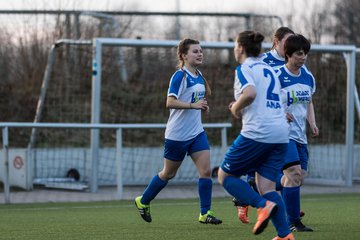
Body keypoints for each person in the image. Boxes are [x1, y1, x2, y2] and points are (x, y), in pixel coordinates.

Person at [134, 38, 222, 225]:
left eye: (201, 51)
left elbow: (196, 101)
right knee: (168, 174)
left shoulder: (199, 75)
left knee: (206, 171)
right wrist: (193, 105)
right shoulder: (179, 76)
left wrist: (202, 106)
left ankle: (205, 213)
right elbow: (170, 102)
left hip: (197, 133)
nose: (200, 54)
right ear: (184, 55)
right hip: (177, 136)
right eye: (195, 51)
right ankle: (143, 201)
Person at [217, 30, 295, 240]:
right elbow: (276, 99)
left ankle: (262, 206)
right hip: (280, 133)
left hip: (259, 131)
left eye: (234, 45)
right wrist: (242, 106)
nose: (234, 49)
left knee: (225, 176)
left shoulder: (244, 68)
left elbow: (250, 93)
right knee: (267, 186)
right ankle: (285, 235)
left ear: (241, 48)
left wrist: (235, 108)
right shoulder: (268, 68)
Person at [276, 33, 319, 232]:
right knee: (293, 174)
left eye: (305, 54)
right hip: (282, 134)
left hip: (300, 135)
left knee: (298, 175)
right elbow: (266, 103)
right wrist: (281, 113)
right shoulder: (276, 76)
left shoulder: (308, 76)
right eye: (300, 54)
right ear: (288, 54)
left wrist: (312, 123)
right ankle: (293, 222)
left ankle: (263, 184)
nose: (304, 57)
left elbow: (309, 102)